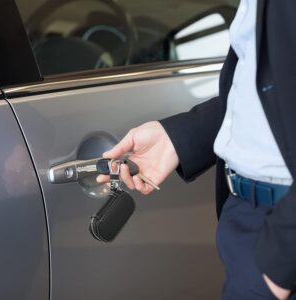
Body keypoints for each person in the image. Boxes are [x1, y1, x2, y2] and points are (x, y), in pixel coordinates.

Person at [98, 0, 296, 299]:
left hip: (282, 229)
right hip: (252, 219)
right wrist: (178, 138)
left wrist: (279, 266)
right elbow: (268, 88)